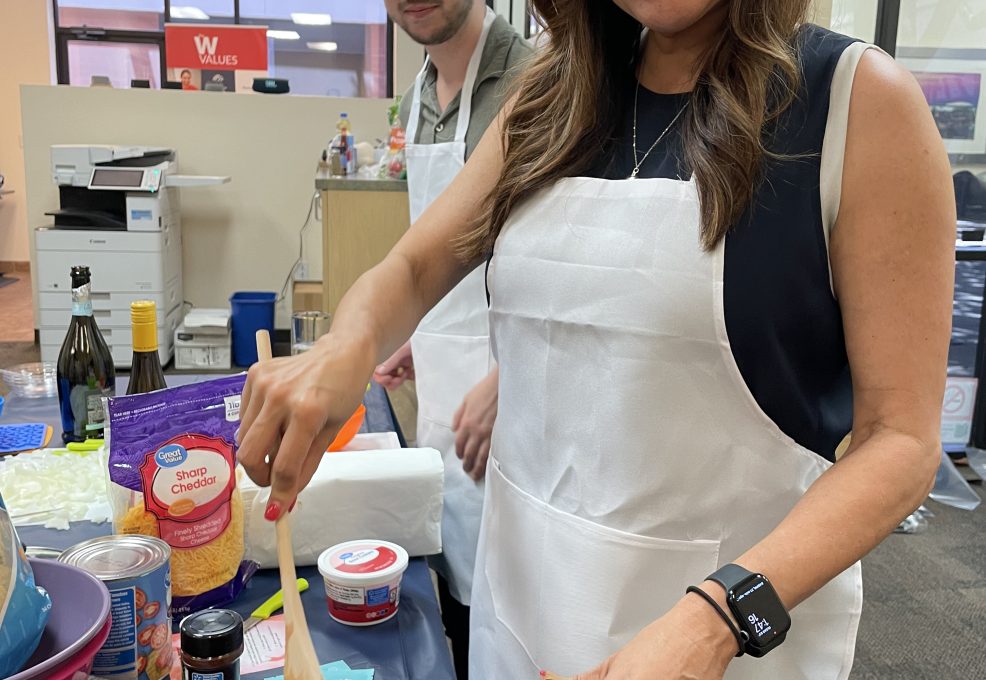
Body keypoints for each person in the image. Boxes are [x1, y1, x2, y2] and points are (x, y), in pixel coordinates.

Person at [237, 1, 954, 678]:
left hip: (722, 642)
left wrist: (719, 618)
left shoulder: (856, 104)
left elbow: (901, 441)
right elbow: (417, 264)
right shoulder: (550, 97)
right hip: (520, 613)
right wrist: (348, 340)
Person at [374, 0, 530, 676]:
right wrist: (424, 333)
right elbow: (445, 252)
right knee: (459, 592)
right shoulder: (417, 97)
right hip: (446, 385)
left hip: (518, 391)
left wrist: (513, 374)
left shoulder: (533, 80)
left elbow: (561, 255)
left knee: (519, 601)